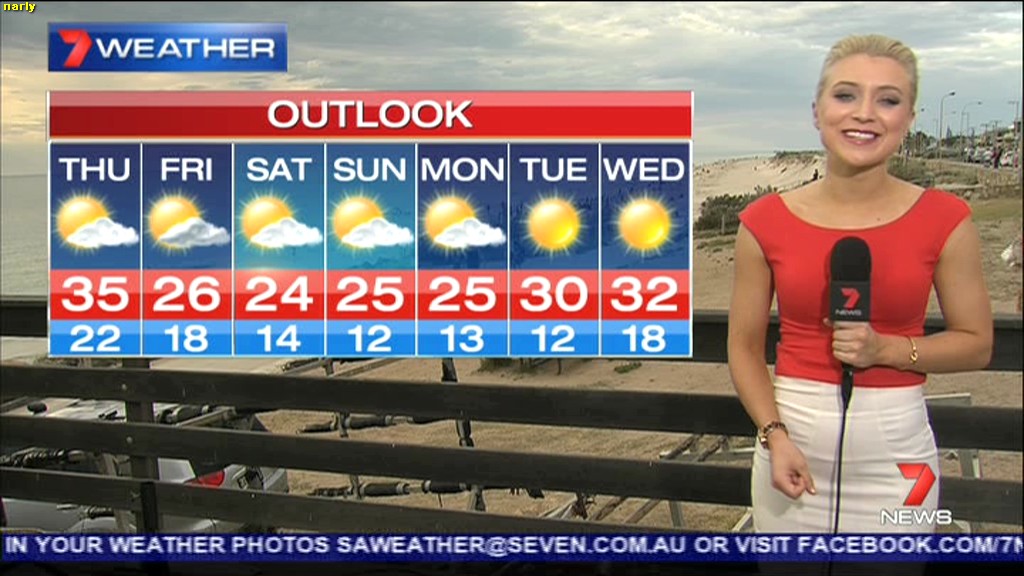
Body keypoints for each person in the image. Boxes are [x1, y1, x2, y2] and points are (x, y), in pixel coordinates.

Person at [727, 33, 994, 540]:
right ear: (817, 110)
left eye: (888, 100)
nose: (864, 113)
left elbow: (977, 344)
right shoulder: (762, 222)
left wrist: (885, 349)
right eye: (846, 95)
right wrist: (774, 434)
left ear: (909, 119)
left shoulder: (947, 220)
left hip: (900, 458)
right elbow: (742, 347)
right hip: (790, 449)